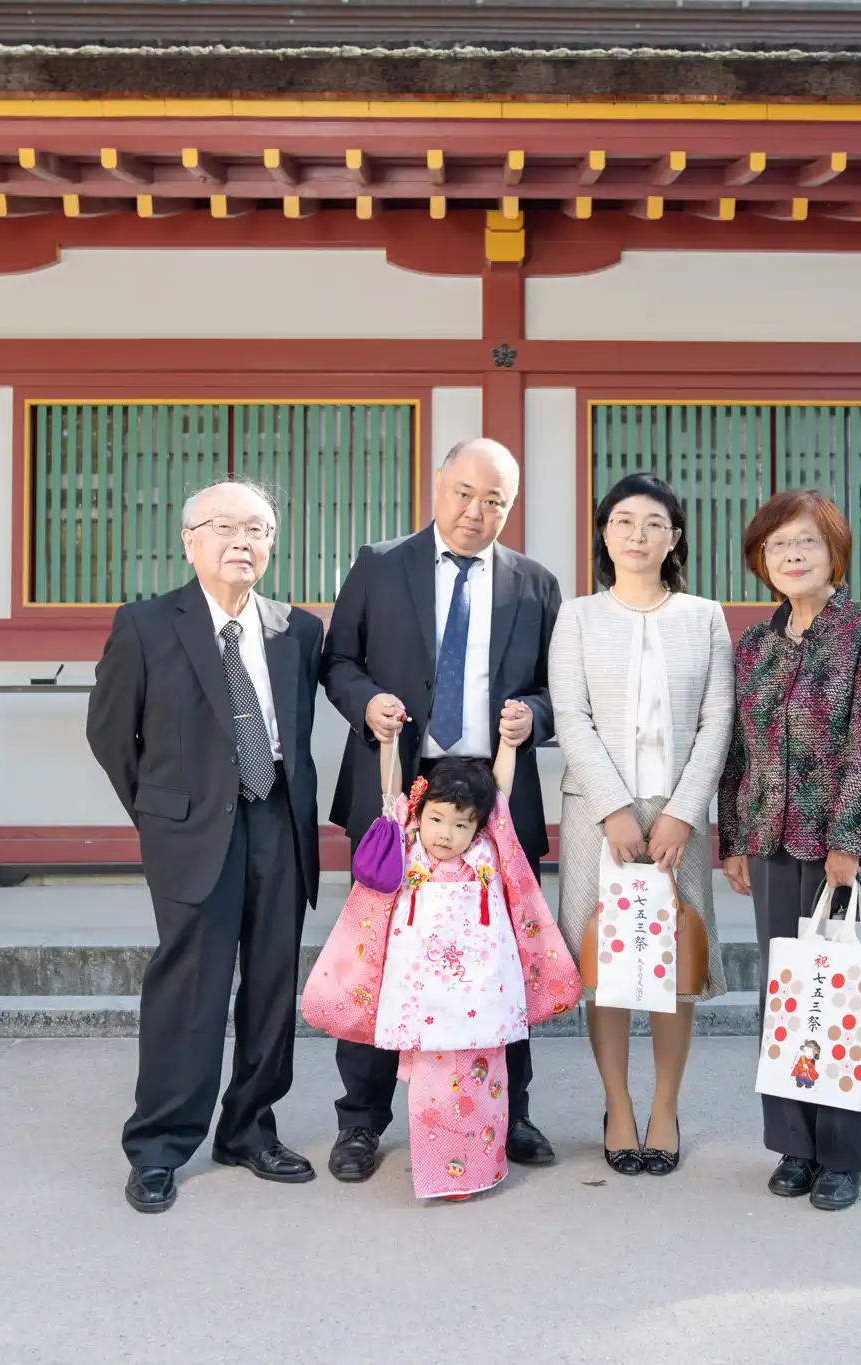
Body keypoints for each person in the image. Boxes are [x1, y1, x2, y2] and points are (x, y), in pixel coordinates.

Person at [321, 436, 564, 1182]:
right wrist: (368, 703)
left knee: (498, 958)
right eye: (463, 493)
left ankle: (509, 1111)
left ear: (510, 507)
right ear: (437, 484)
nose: (474, 512)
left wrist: (533, 715)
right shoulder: (379, 564)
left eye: (494, 501)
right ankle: (362, 1119)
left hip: (493, 788)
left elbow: (559, 690)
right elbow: (338, 661)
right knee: (381, 954)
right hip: (400, 784)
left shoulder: (535, 584)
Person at [85, 479, 326, 1215]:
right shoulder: (146, 624)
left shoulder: (297, 630)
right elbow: (110, 733)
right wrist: (163, 814)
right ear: (189, 541)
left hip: (278, 818)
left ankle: (249, 1128)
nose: (241, 541)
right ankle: (159, 1145)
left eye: (257, 528)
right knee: (190, 986)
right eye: (224, 527)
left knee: (272, 987)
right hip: (192, 829)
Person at [719, 488, 861, 1214]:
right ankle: (795, 1145)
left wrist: (848, 841)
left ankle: (844, 1155)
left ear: (835, 550)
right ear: (760, 559)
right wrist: (733, 837)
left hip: (850, 846)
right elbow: (738, 747)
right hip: (772, 841)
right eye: (778, 545)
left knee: (847, 994)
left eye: (806, 541)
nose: (792, 555)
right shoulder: (755, 644)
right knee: (788, 995)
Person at [300, 721, 581, 1200]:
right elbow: (391, 791)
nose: (446, 834)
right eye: (436, 819)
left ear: (478, 825)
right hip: (425, 997)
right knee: (433, 1092)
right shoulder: (406, 843)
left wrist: (508, 744)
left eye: (460, 824)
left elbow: (500, 794)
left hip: (478, 993)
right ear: (418, 811)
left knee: (481, 1083)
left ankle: (478, 1169)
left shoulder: (487, 850)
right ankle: (443, 1172)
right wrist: (389, 742)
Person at [547, 472, 732, 1178]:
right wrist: (613, 808)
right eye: (623, 521)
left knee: (674, 962)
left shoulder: (705, 617)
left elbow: (718, 719)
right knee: (609, 963)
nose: (638, 535)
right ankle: (618, 1106)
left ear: (674, 538)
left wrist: (683, 811)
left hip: (679, 814)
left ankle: (664, 1107)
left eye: (654, 523)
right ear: (604, 533)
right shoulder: (577, 617)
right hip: (599, 814)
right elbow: (572, 716)